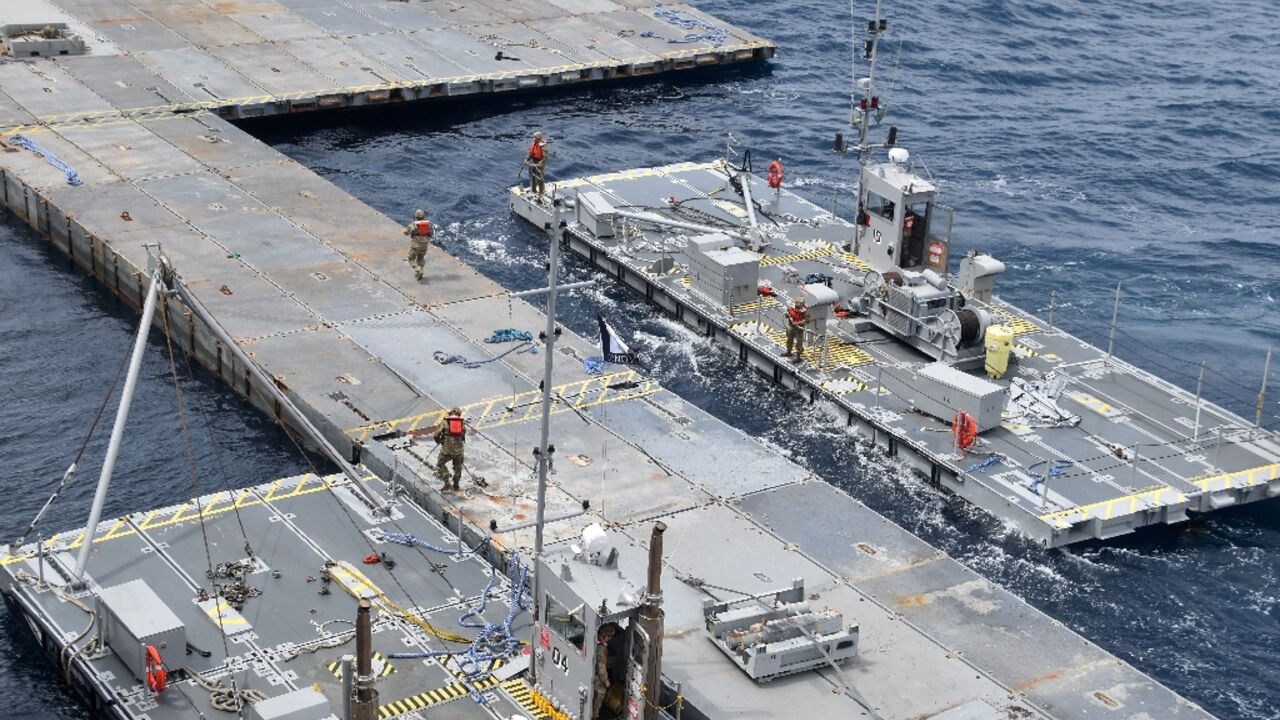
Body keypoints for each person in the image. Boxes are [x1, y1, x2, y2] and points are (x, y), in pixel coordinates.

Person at [433, 407, 465, 491]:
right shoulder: (461, 423)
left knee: (440, 465)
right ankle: (456, 485)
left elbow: (436, 435)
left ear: (450, 413)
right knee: (458, 468)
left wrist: (440, 442)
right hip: (459, 451)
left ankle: (447, 483)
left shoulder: (445, 422)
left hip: (447, 450)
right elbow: (463, 435)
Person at [592, 624, 617, 719]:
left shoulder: (593, 639)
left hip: (592, 671)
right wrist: (606, 681)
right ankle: (595, 715)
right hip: (595, 674)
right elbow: (601, 667)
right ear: (602, 635)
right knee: (601, 692)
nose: (610, 639)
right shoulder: (601, 649)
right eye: (609, 636)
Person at [404, 209, 432, 281]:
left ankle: (418, 270)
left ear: (416, 216)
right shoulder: (428, 224)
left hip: (416, 245)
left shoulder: (413, 224)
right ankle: (420, 273)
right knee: (421, 258)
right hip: (424, 245)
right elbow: (431, 234)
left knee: (411, 259)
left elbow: (406, 233)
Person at [783, 297, 808, 362]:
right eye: (798, 303)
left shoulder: (805, 310)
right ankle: (789, 351)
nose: (799, 304)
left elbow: (807, 320)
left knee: (799, 342)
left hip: (799, 329)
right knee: (789, 339)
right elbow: (787, 314)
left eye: (801, 303)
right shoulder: (791, 307)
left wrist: (798, 322)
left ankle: (798, 357)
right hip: (791, 326)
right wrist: (786, 315)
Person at [526, 131, 547, 199]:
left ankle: (541, 192)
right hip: (533, 162)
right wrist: (527, 159)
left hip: (539, 163)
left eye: (535, 137)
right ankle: (534, 190)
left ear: (539, 138)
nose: (533, 139)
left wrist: (539, 164)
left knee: (539, 178)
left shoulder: (543, 146)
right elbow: (530, 152)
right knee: (533, 176)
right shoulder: (534, 144)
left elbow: (544, 157)